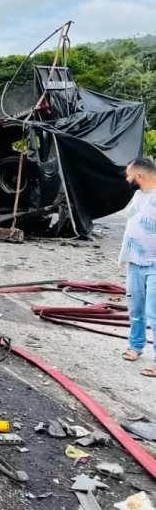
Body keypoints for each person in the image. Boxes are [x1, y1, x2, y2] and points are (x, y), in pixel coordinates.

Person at [121, 156, 156, 376]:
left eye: (129, 174)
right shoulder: (137, 196)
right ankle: (135, 346)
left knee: (154, 312)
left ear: (140, 176)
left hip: (154, 264)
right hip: (134, 262)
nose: (127, 178)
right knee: (135, 309)